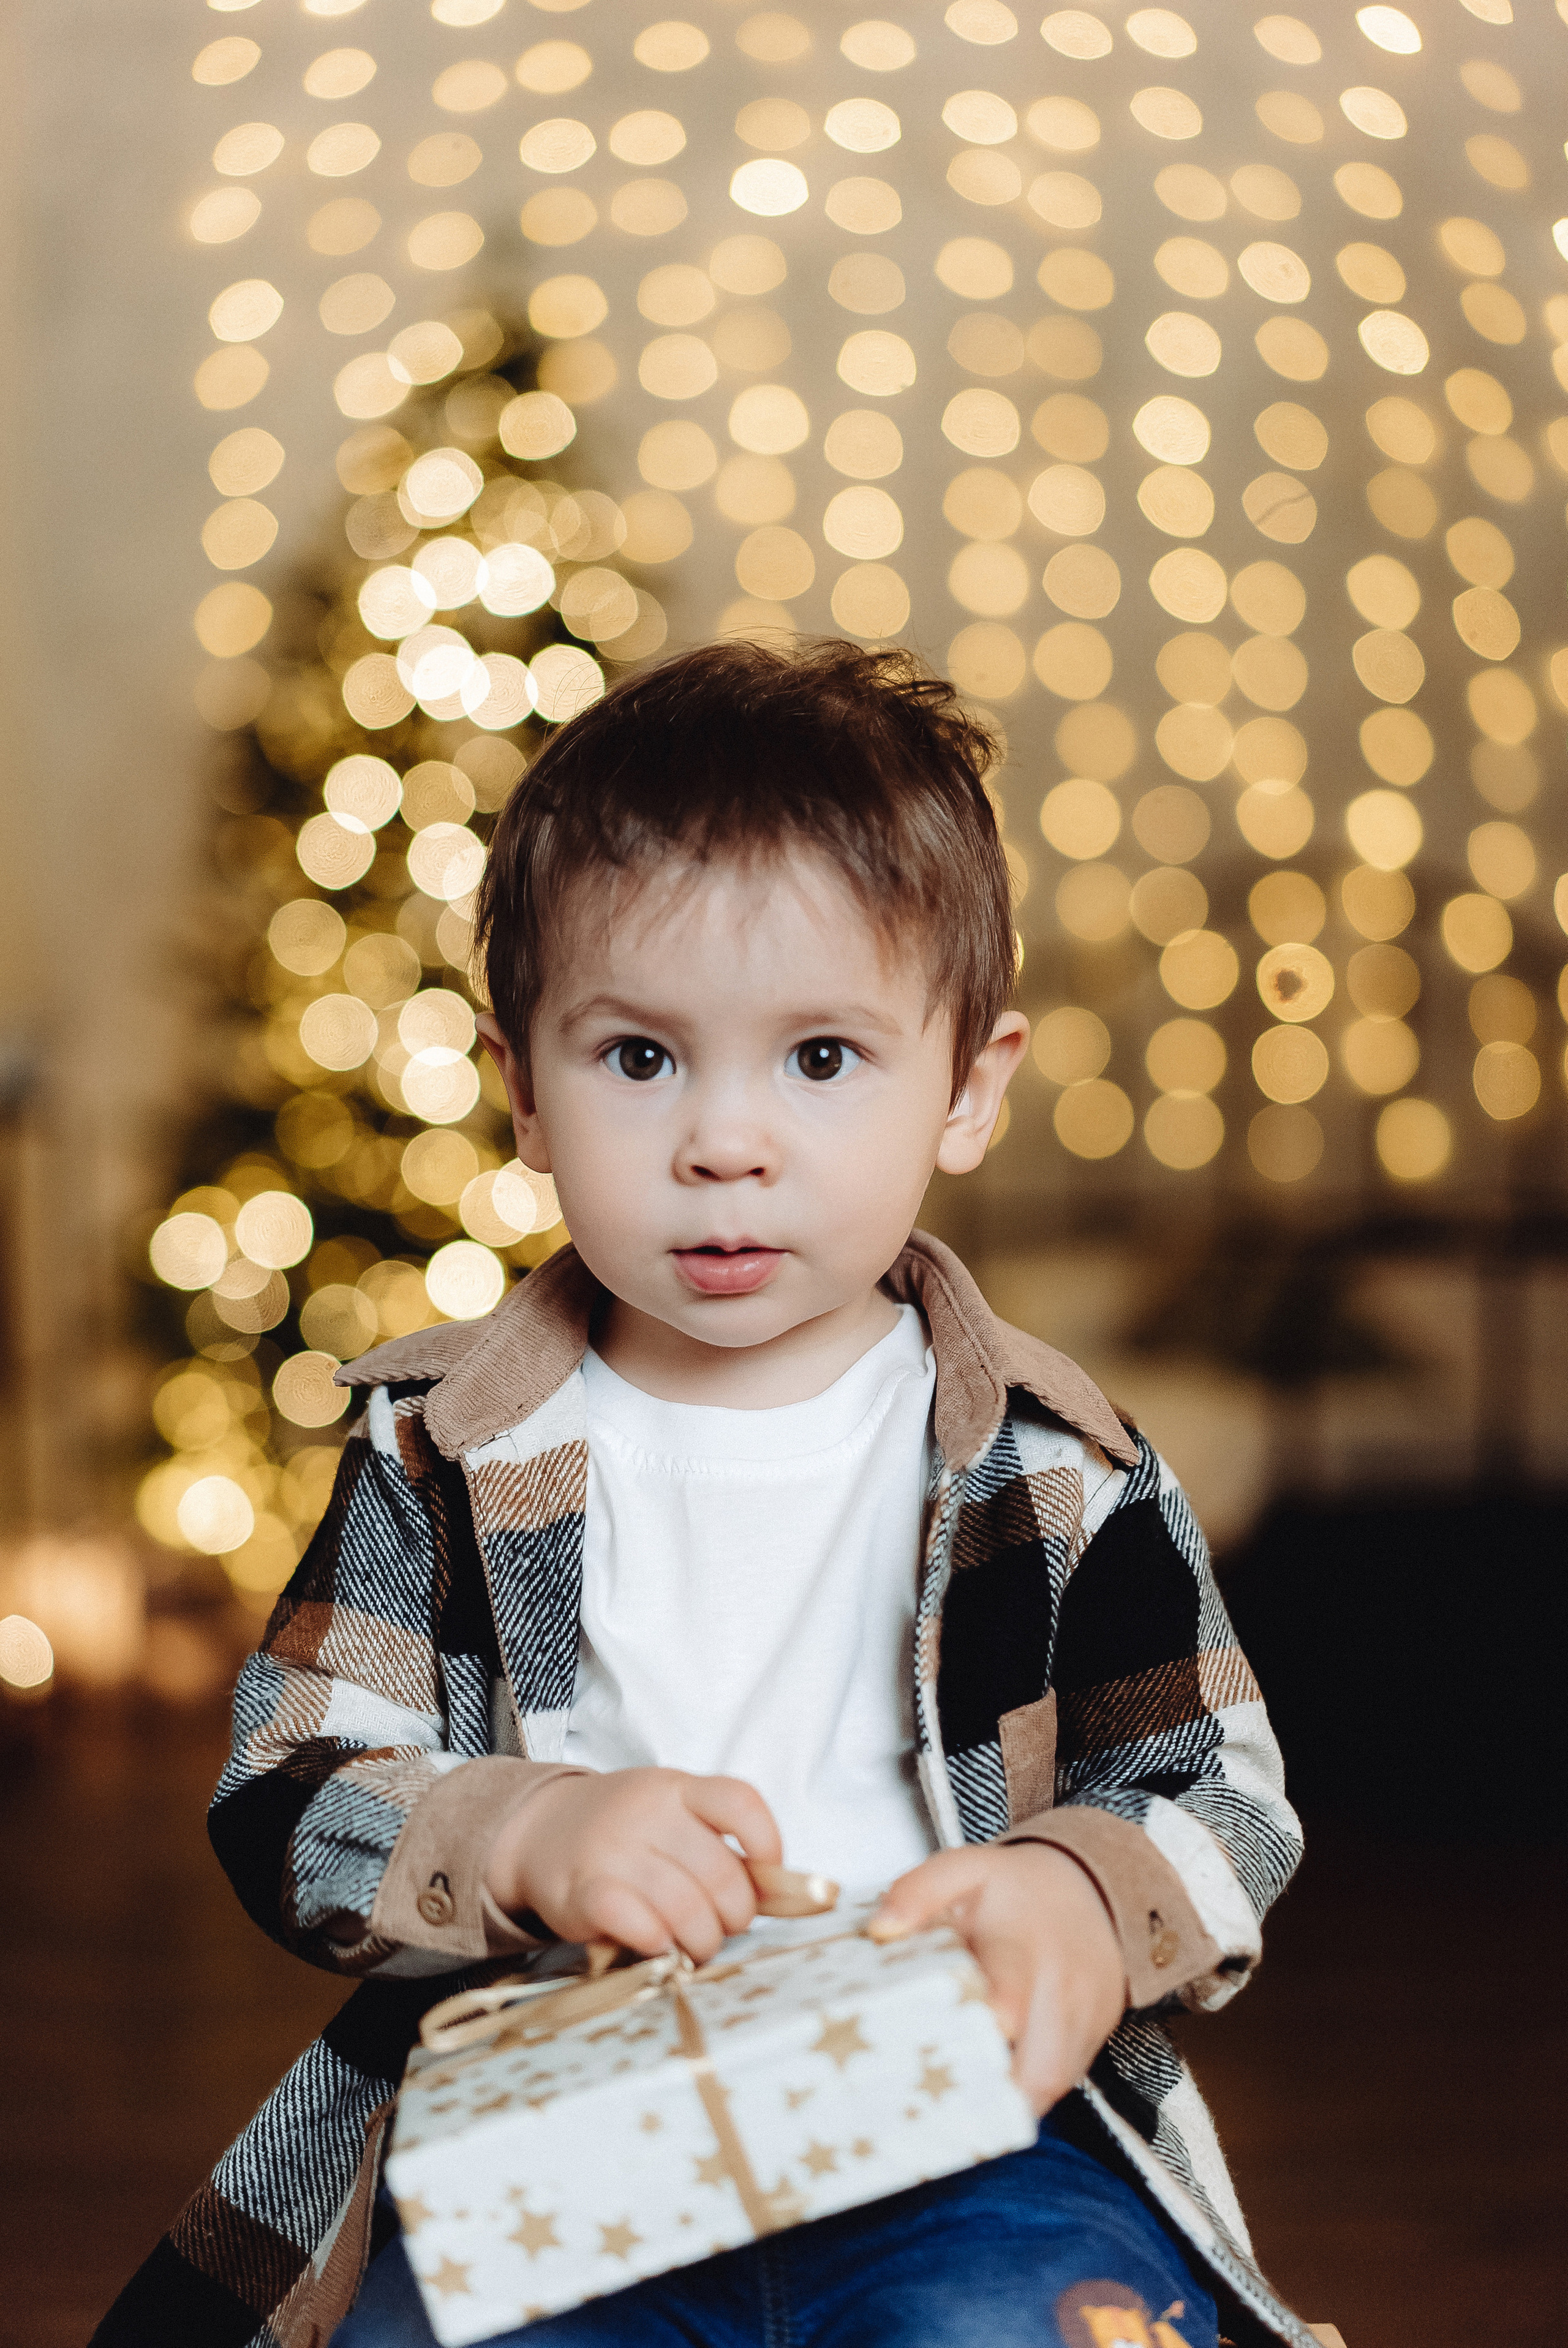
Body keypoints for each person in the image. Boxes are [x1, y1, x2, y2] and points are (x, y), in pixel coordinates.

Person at [94, 640, 1311, 2348]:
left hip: (962, 2121)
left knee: (1033, 2324)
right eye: (641, 1058)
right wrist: (514, 1830)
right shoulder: (438, 1449)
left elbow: (1221, 1779)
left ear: (968, 1081)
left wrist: (1086, 1898)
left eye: (820, 1058)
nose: (723, 1141)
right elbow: (288, 1784)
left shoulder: (1055, 1459)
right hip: (553, 2123)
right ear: (524, 1083)